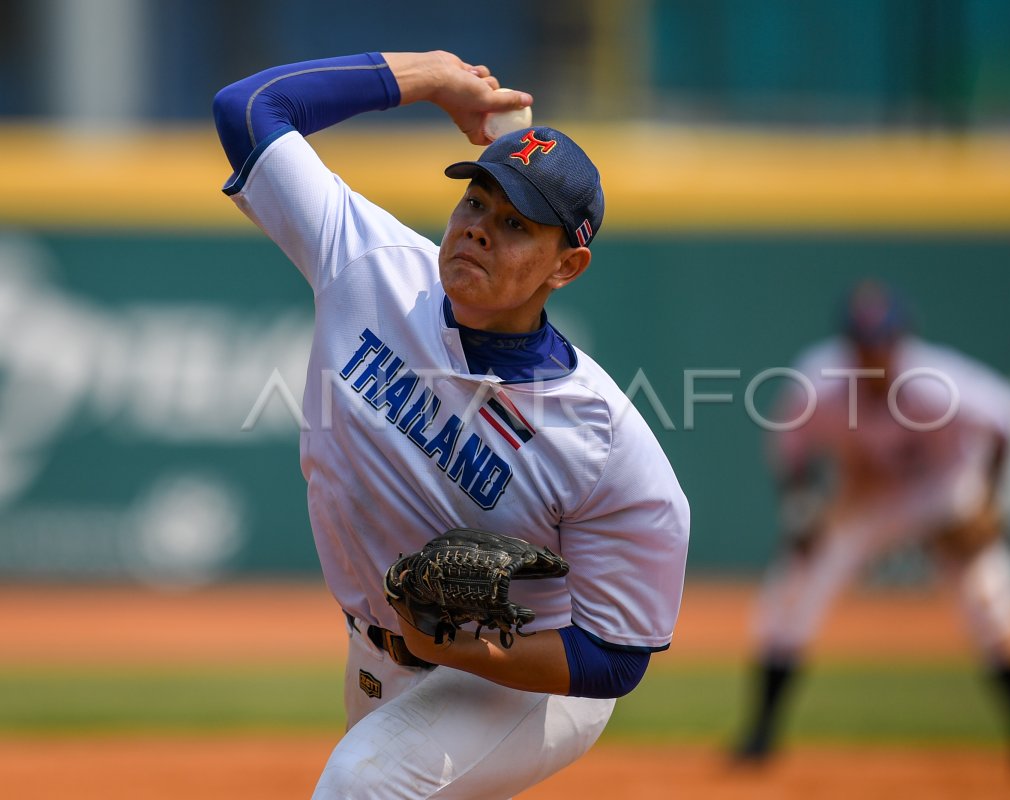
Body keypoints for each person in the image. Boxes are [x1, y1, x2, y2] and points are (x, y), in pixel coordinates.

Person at [211, 50, 689, 799]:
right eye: (475, 204)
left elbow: (614, 659)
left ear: (566, 268)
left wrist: (463, 650)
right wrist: (428, 77)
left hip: (529, 683)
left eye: (515, 223)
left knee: (358, 787)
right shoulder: (370, 264)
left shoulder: (601, 442)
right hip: (373, 655)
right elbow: (247, 109)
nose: (478, 231)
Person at [733, 280, 1010, 773]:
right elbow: (789, 449)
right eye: (862, 344)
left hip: (943, 492)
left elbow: (1009, 416)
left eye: (882, 341)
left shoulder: (936, 378)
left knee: (990, 597)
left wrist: (988, 499)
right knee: (792, 593)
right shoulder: (820, 382)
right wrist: (801, 511)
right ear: (848, 345)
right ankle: (759, 736)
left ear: (902, 339)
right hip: (864, 496)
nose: (873, 353)